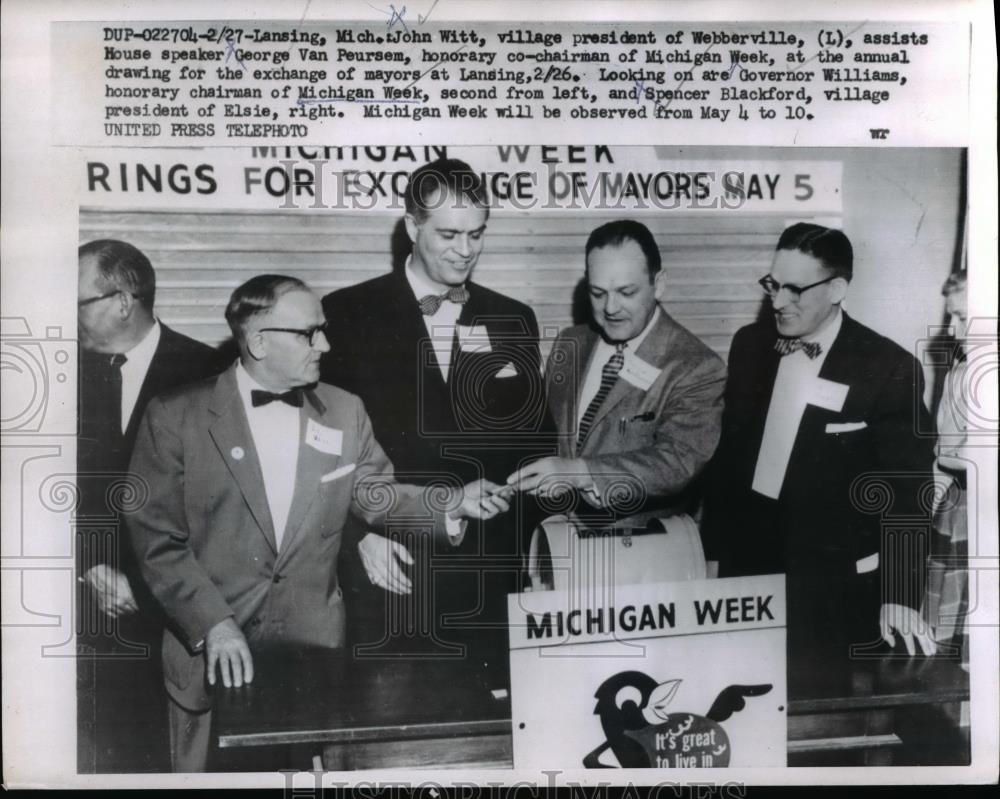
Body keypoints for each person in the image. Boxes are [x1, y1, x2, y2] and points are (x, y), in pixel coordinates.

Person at [125, 275, 508, 771]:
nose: (324, 344)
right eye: (309, 333)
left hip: (312, 660)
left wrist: (452, 502)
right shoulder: (175, 416)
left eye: (323, 330)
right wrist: (212, 623)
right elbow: (157, 539)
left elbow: (376, 493)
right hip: (211, 656)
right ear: (259, 342)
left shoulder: (344, 411)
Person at [320, 158, 554, 682]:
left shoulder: (512, 318)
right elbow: (319, 453)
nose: (465, 250)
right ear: (411, 227)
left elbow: (535, 441)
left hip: (490, 577)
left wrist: (538, 557)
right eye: (449, 234)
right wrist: (354, 535)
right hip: (393, 566)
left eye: (477, 234)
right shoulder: (347, 314)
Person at [703, 223, 937, 672]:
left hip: (834, 584)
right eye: (773, 284)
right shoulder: (749, 346)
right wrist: (713, 554)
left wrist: (900, 595)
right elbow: (728, 463)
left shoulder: (888, 368)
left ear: (837, 288)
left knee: (824, 719)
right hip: (749, 569)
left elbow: (909, 492)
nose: (777, 301)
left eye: (795, 289)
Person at [506, 220, 726, 584]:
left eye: (626, 292)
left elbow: (676, 461)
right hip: (558, 556)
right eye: (597, 293)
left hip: (643, 566)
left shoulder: (696, 366)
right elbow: (544, 438)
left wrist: (579, 472)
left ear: (660, 284)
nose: (610, 308)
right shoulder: (569, 345)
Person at [76, 239, 221, 773]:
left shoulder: (207, 372)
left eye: (78, 303)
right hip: (90, 610)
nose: (69, 319)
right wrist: (88, 564)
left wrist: (145, 582)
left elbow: (217, 505)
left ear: (122, 300)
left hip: (175, 616)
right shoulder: (61, 375)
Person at [924, 270, 970, 666]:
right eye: (950, 318)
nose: (953, 332)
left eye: (962, 318)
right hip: (964, 514)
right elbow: (944, 454)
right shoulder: (958, 376)